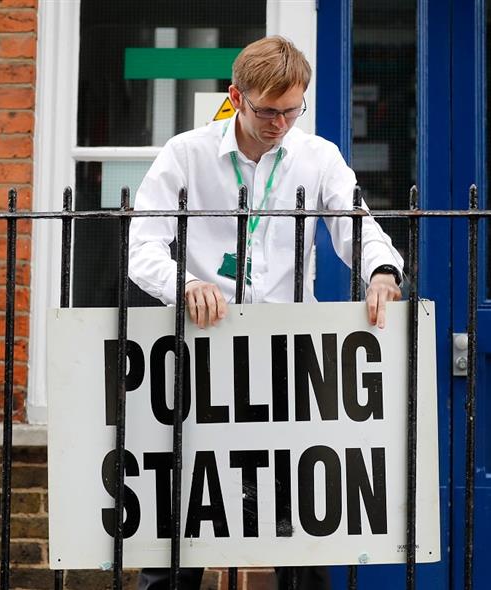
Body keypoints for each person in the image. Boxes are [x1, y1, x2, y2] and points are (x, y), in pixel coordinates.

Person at [129, 36, 403, 590]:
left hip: (289, 360)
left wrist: (381, 270)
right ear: (236, 97)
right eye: (267, 111)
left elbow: (356, 225)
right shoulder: (186, 154)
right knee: (180, 522)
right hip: (203, 350)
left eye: (292, 110)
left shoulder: (318, 156)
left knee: (299, 525)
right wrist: (184, 285)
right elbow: (141, 247)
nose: (281, 123)